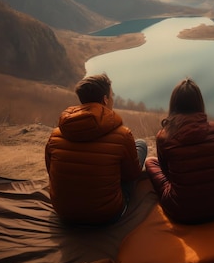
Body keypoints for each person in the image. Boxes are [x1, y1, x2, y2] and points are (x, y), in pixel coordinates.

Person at [45, 73, 147, 226]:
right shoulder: (123, 135)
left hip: (65, 213)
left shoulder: (56, 135)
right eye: (112, 95)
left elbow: (50, 170)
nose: (113, 98)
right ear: (105, 100)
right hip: (106, 215)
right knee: (141, 145)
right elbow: (132, 174)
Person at [145, 78, 214, 224]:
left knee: (150, 162)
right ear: (199, 103)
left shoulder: (164, 136)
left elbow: (166, 173)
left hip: (182, 210)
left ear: (174, 105)